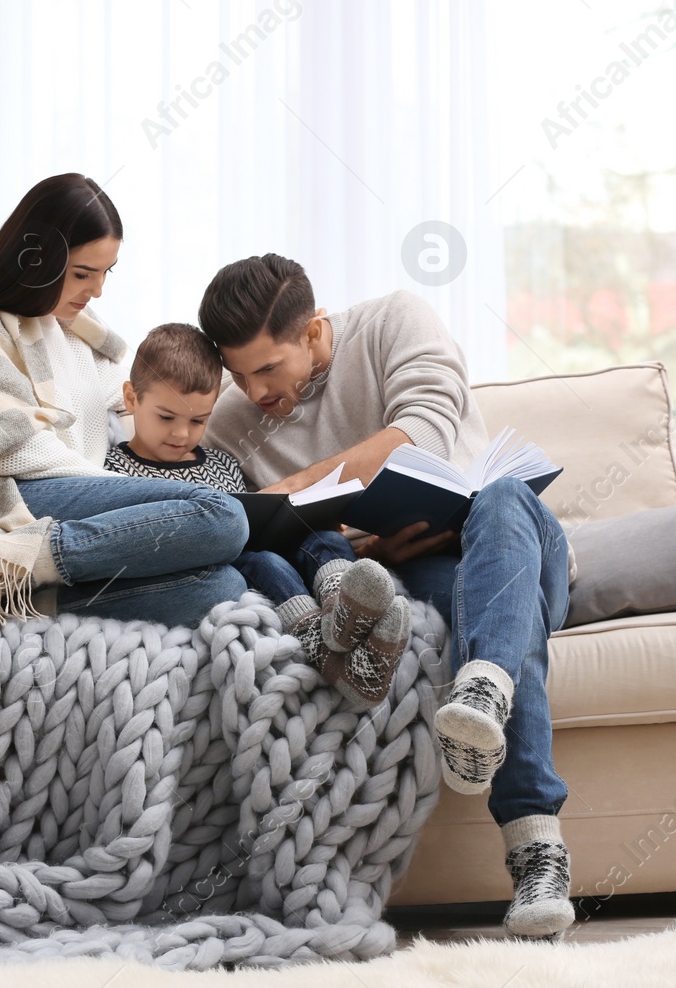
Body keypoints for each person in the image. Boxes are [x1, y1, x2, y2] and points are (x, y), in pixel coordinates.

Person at [199, 254, 575, 941]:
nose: (254, 392)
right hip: (423, 570)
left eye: (267, 368)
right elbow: (263, 536)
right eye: (238, 373)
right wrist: (371, 549)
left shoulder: (394, 321)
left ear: (313, 332)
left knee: (502, 495)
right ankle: (535, 849)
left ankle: (484, 686)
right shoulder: (230, 423)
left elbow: (422, 435)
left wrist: (299, 487)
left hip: (513, 543)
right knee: (491, 631)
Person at [0, 174, 248, 630]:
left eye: (106, 272)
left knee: (223, 587)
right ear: (37, 261)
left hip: (64, 503)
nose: (97, 290)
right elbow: (16, 451)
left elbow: (149, 389)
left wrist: (252, 377)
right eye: (83, 273)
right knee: (223, 516)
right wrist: (121, 493)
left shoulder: (77, 334)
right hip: (11, 493)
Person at [102, 322, 409, 706]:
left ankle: (345, 616)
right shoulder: (113, 471)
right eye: (167, 417)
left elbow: (257, 517)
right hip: (218, 572)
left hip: (268, 554)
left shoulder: (224, 463)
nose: (182, 434)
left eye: (198, 421)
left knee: (327, 540)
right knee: (264, 561)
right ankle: (329, 650)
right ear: (131, 399)